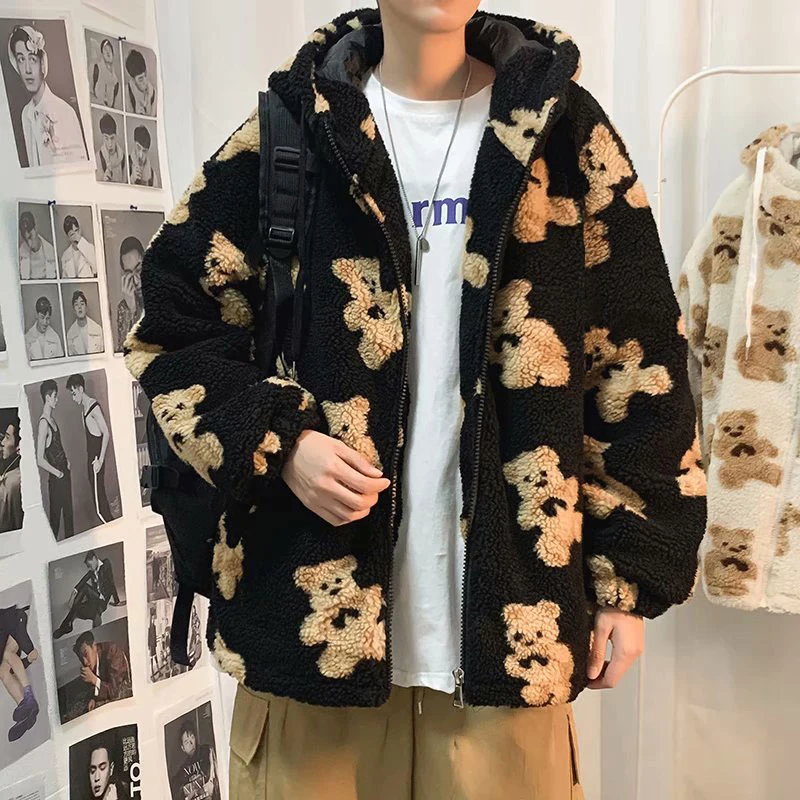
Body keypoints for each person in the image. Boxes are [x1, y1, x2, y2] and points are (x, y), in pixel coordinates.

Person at [126, 5, 707, 797]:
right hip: (309, 631)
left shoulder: (563, 132)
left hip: (510, 639)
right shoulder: (294, 127)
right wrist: (281, 441)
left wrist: (626, 578)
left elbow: (638, 362)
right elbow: (174, 324)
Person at [8, 24, 87, 167]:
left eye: (32, 59)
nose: (27, 69)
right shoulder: (25, 114)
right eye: (21, 59)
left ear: (42, 64)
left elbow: (80, 168)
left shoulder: (66, 112)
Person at [66, 374, 112, 524]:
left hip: (96, 461)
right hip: (90, 460)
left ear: (80, 389)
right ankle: (111, 525)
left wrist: (100, 461)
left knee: (100, 506)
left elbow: (106, 433)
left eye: (74, 393)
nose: (73, 398)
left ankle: (113, 527)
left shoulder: (94, 407)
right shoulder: (83, 411)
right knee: (98, 500)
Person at [53, 549, 124, 639]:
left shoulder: (106, 564)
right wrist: (73, 593)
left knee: (85, 590)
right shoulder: (92, 571)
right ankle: (68, 625)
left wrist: (116, 601)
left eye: (89, 566)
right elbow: (83, 581)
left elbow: (111, 582)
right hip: (95, 599)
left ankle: (66, 624)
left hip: (102, 600)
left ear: (94, 559)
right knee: (79, 605)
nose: (89, 568)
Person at [36, 379, 73, 539]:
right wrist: (57, 473)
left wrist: (67, 460)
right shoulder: (44, 423)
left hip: (65, 473)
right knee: (55, 521)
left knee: (69, 516)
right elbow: (39, 459)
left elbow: (57, 446)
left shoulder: (53, 420)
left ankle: (74, 546)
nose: (57, 400)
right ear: (48, 397)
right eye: (55, 396)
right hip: (57, 479)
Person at [0, 603, 40, 742]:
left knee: (7, 653)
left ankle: (29, 697)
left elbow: (14, 624)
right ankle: (25, 707)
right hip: (9, 637)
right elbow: (13, 668)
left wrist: (29, 649)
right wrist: (27, 660)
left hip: (15, 621)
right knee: (3, 672)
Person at [72, 631, 131, 713]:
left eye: (86, 654)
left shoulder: (112, 651)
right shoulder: (90, 662)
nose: (85, 662)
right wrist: (94, 698)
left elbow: (115, 692)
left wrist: (93, 679)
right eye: (81, 659)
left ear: (94, 646)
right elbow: (95, 686)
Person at [169, 717, 220, 800]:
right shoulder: (183, 768)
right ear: (183, 748)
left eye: (192, 737)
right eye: (186, 742)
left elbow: (214, 777)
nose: (191, 743)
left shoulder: (207, 751)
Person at [115, 237, 144, 351]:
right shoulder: (123, 308)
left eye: (139, 270)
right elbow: (123, 352)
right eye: (129, 274)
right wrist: (132, 310)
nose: (136, 281)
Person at [18, 210, 56, 280]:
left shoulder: (51, 251)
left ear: (35, 229)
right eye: (26, 239)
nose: (29, 244)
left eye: (30, 237)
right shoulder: (20, 253)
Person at [25, 296, 63, 361]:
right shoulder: (27, 338)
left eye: (47, 318)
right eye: (42, 317)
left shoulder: (55, 338)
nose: (45, 322)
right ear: (36, 315)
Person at [66, 291, 104, 356]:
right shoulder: (70, 335)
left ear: (86, 307)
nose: (79, 307)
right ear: (74, 310)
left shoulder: (97, 329)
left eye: (82, 304)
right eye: (76, 304)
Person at [90, 38, 120, 109]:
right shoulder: (96, 68)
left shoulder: (116, 80)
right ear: (102, 54)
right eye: (105, 50)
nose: (108, 52)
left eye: (110, 50)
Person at [124, 49, 155, 116]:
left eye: (145, 75)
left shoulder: (153, 92)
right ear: (133, 79)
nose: (145, 81)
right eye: (140, 79)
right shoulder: (128, 91)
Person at [96, 113, 126, 183]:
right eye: (106, 138)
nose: (110, 144)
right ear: (102, 137)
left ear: (116, 136)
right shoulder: (99, 157)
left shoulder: (123, 158)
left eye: (112, 138)